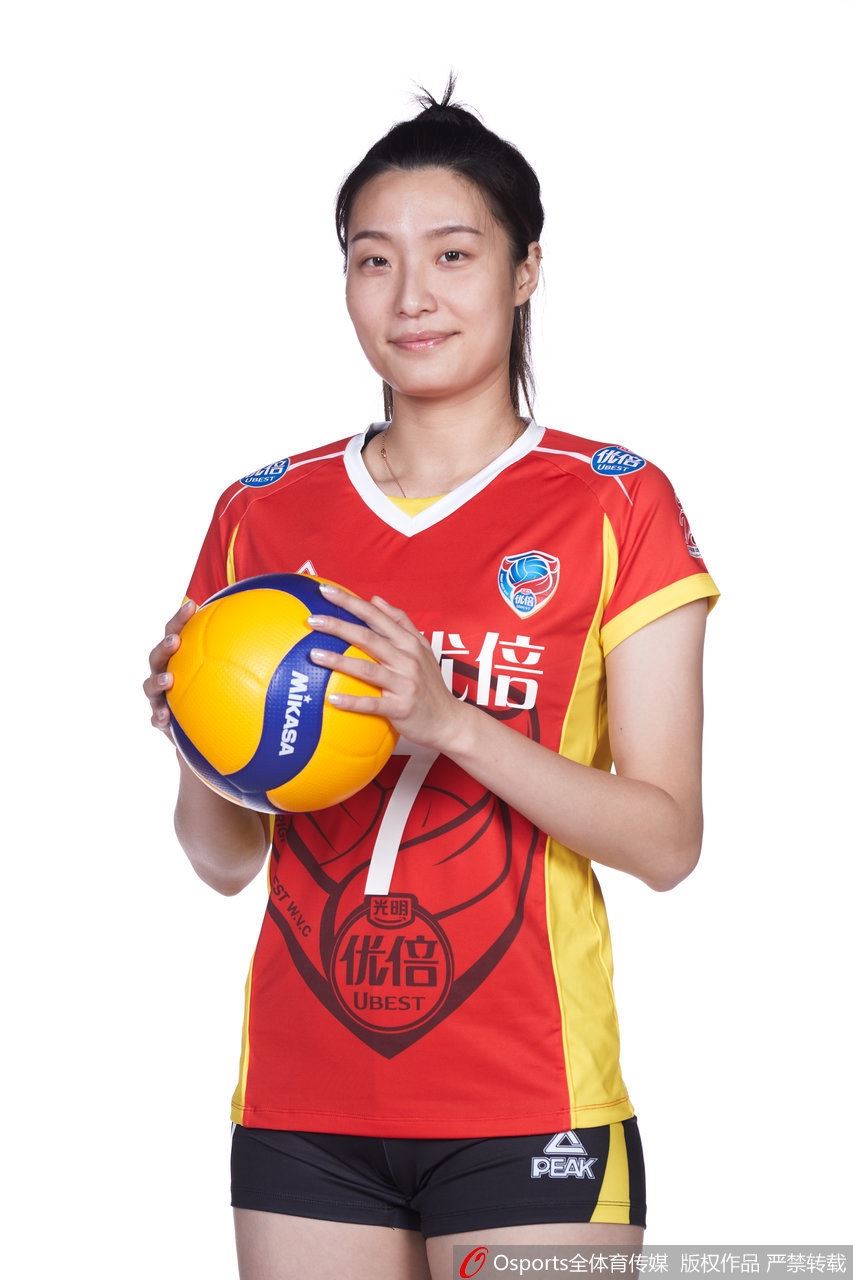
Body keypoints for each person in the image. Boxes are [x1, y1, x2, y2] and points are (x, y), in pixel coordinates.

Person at [144, 73, 720, 1279]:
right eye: (373, 259)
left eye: (453, 254)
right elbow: (221, 858)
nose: (410, 294)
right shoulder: (260, 513)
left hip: (531, 1097)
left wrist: (449, 721)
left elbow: (666, 841)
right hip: (304, 1103)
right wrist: (198, 731)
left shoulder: (614, 502)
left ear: (524, 270)